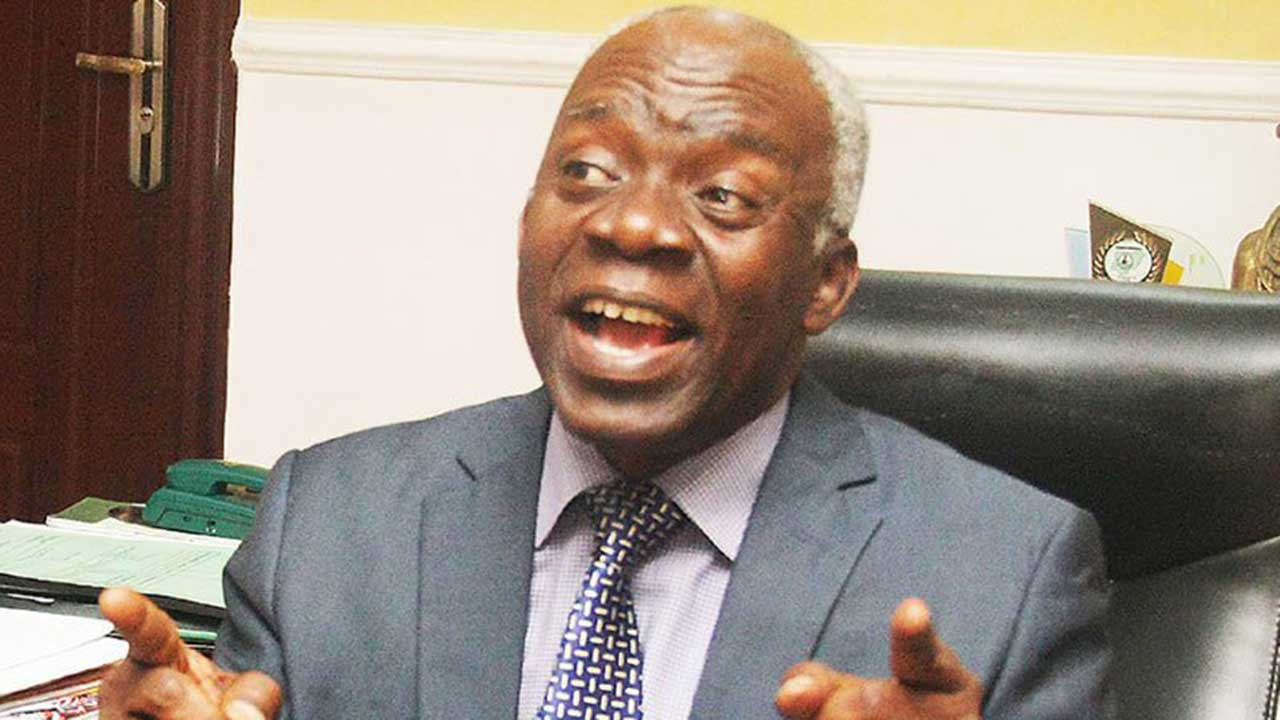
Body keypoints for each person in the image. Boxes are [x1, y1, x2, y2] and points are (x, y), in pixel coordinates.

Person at [98, 7, 1110, 719]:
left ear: (825, 283)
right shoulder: (329, 522)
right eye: (586, 171)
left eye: (722, 196)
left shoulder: (1007, 574)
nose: (631, 224)